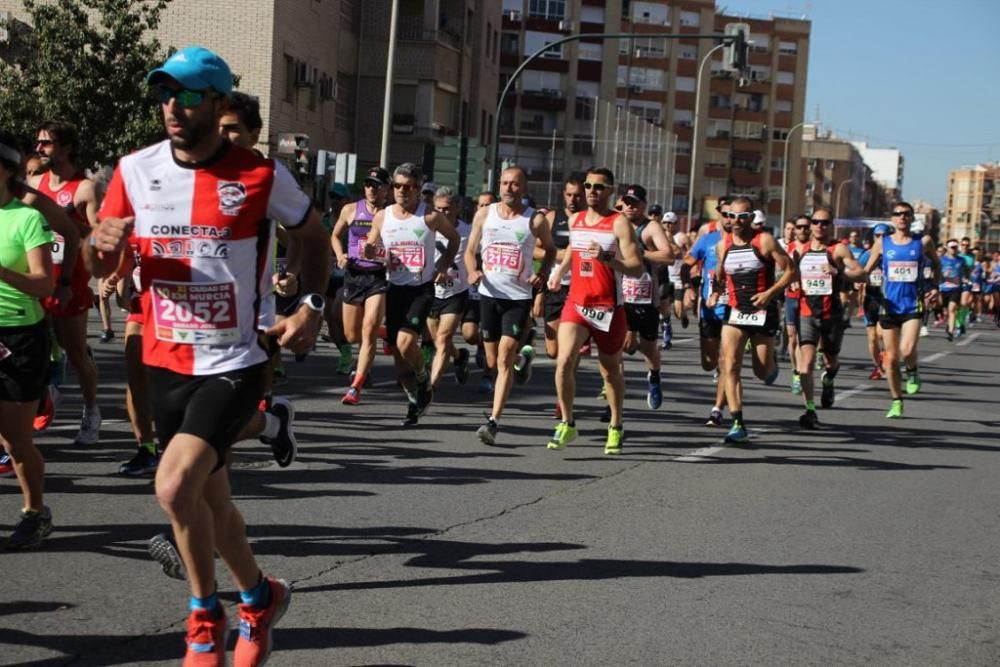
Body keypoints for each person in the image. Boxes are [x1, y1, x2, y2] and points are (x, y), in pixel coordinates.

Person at [85, 47, 331, 665]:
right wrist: (96, 244)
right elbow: (101, 266)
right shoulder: (133, 171)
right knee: (212, 503)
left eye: (190, 94)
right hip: (166, 362)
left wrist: (312, 307)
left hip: (237, 361)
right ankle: (259, 596)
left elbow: (314, 239)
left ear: (219, 102)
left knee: (172, 487)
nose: (175, 105)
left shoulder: (262, 176)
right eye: (166, 93)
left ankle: (203, 617)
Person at [547, 167, 643, 454]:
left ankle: (615, 425)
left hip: (609, 308)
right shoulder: (575, 220)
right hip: (576, 303)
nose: (591, 191)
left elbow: (636, 268)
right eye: (588, 186)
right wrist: (558, 272)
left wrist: (608, 258)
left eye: (598, 187)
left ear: (611, 191)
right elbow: (573, 253)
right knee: (564, 361)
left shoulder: (619, 224)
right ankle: (567, 422)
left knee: (610, 372)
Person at [363, 163, 459, 426]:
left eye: (408, 187)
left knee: (406, 342)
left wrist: (442, 265)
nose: (402, 191)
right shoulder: (383, 216)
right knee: (397, 353)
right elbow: (372, 242)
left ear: (417, 189)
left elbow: (454, 239)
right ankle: (415, 401)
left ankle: (422, 377)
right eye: (397, 186)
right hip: (394, 288)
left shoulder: (428, 216)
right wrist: (370, 250)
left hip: (421, 288)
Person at [465, 166, 555, 444]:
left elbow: (550, 250)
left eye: (514, 184)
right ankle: (522, 360)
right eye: (504, 183)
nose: (508, 188)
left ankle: (493, 422)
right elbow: (470, 251)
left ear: (524, 188)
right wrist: (472, 271)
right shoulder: (484, 214)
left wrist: (541, 274)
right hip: (489, 293)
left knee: (502, 357)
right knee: (493, 361)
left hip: (518, 297)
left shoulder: (534, 220)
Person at [29, 120, 103, 445]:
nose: (40, 148)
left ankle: (91, 410)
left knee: (75, 350)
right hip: (36, 278)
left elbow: (99, 236)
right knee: (31, 348)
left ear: (68, 147)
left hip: (69, 280)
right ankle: (47, 394)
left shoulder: (84, 188)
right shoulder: (32, 183)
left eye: (47, 143)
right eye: (39, 142)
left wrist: (66, 226)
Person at [0, 131, 56, 548]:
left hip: (19, 336)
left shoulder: (26, 218)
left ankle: (35, 511)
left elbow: (42, 283)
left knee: (15, 440)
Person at [708, 197, 794, 444]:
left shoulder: (764, 240)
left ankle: (772, 363)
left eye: (742, 217)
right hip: (735, 312)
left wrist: (769, 293)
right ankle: (737, 422)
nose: (736, 221)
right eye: (731, 216)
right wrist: (715, 292)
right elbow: (720, 275)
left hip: (762, 312)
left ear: (751, 218)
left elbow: (791, 270)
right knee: (729, 364)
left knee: (761, 370)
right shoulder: (722, 245)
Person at [860, 201, 939, 418]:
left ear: (912, 218)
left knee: (906, 350)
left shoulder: (923, 242)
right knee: (891, 359)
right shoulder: (882, 243)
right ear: (892, 219)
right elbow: (866, 270)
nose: (902, 217)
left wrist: (934, 286)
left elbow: (936, 264)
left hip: (913, 304)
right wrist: (851, 277)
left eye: (906, 214)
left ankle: (912, 372)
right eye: (898, 214)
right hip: (889, 305)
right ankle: (896, 400)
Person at [791, 207, 865, 429]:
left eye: (824, 222)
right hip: (806, 313)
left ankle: (829, 379)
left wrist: (838, 272)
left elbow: (861, 273)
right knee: (806, 363)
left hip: (831, 314)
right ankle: (810, 410)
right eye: (816, 222)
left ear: (831, 225)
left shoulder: (838, 249)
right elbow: (789, 274)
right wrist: (792, 282)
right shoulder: (800, 250)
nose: (819, 226)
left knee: (831, 361)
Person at [332, 166, 391, 405]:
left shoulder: (391, 214)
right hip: (354, 275)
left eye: (376, 185)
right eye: (368, 184)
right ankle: (385, 333)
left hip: (377, 276)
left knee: (367, 331)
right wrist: (339, 255)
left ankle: (356, 385)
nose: (371, 189)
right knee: (351, 334)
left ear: (386, 189)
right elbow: (335, 235)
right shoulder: (350, 210)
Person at [619, 185, 673, 410]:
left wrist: (640, 254)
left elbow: (668, 255)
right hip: (620, 295)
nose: (630, 207)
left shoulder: (650, 227)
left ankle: (654, 376)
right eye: (627, 203)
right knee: (620, 347)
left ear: (643, 205)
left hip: (644, 295)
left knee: (648, 348)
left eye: (635, 203)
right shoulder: (616, 223)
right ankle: (615, 396)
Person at [685, 209, 733, 426]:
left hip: (734, 310)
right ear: (720, 217)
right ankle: (717, 370)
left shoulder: (751, 242)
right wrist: (689, 286)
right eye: (726, 213)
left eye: (734, 214)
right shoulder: (707, 240)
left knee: (726, 361)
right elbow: (687, 264)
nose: (730, 218)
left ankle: (717, 409)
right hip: (710, 309)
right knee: (708, 362)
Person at [427, 186, 473, 387]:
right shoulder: (428, 229)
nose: (442, 213)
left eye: (447, 209)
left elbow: (479, 254)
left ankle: (430, 386)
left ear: (457, 208)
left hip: (456, 292)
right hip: (431, 291)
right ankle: (459, 356)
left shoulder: (468, 231)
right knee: (437, 338)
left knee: (444, 338)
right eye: (438, 209)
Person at [859, 223, 890, 380]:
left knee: (881, 333)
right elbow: (858, 270)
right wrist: (857, 281)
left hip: (887, 299)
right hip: (871, 298)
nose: (881, 239)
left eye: (884, 236)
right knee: (872, 337)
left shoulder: (893, 254)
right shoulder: (866, 255)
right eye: (878, 236)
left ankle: (886, 361)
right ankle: (878, 366)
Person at [938, 239, 968, 341]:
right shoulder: (941, 260)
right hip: (943, 288)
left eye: (955, 247)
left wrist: (965, 280)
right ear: (947, 248)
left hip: (956, 289)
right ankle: (948, 323)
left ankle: (950, 331)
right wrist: (942, 276)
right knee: (946, 311)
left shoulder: (961, 260)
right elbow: (936, 273)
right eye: (952, 247)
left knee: (952, 308)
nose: (954, 249)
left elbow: (964, 274)